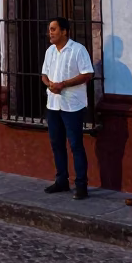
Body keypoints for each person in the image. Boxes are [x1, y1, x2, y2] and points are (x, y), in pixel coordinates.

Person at [41, 16, 95, 199]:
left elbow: (87, 74)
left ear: (64, 31)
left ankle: (81, 185)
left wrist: (63, 84)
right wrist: (50, 84)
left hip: (72, 105)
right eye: (50, 29)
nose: (51, 32)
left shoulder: (78, 50)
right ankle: (61, 180)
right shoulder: (50, 51)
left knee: (75, 145)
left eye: (54, 29)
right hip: (53, 104)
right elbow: (44, 74)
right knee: (56, 144)